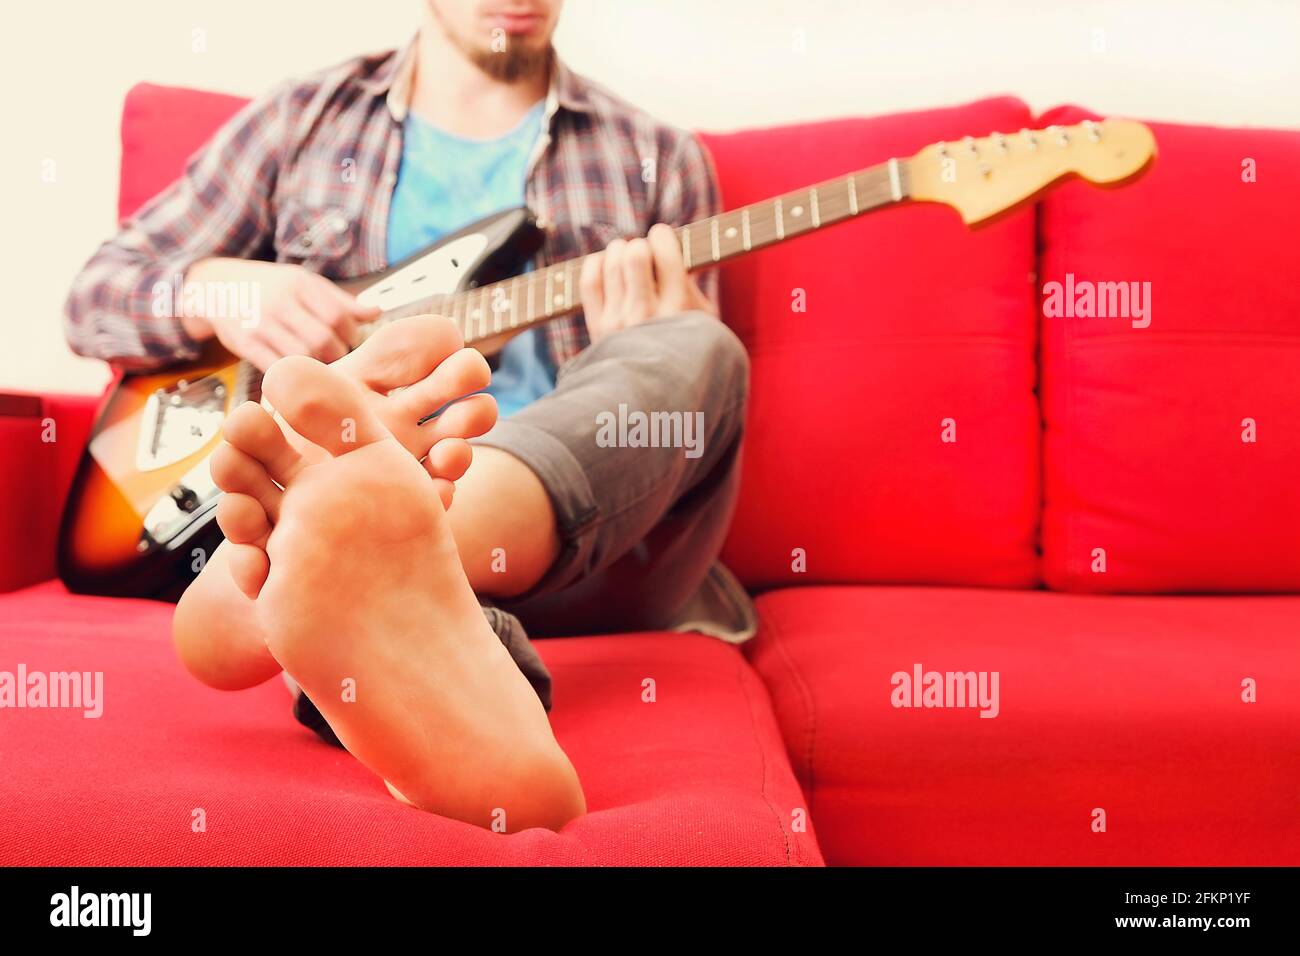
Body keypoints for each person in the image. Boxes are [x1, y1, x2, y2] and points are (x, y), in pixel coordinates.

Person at [63, 0, 751, 832]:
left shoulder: (658, 156)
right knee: (371, 595)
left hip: (590, 545)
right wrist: (221, 287)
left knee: (701, 348)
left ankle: (349, 550)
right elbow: (95, 293)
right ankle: (406, 597)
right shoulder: (304, 121)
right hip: (401, 554)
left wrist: (643, 338)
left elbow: (683, 434)